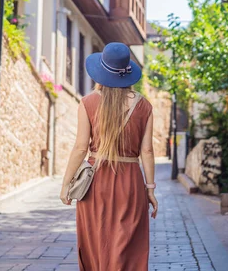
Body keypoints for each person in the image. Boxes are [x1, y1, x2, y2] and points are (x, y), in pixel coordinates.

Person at [60, 42, 158, 271]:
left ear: (101, 72)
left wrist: (66, 184)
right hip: (130, 183)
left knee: (97, 242)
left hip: (96, 182)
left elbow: (80, 147)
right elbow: (147, 151)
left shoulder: (88, 103)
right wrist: (150, 189)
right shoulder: (145, 106)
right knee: (127, 245)